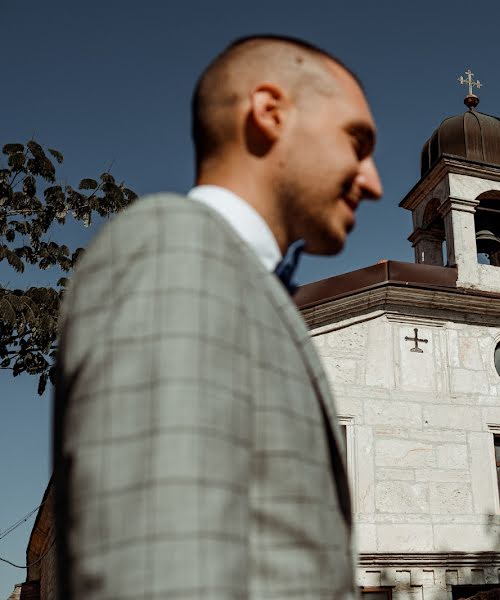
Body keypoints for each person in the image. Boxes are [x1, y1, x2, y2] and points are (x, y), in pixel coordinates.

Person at [52, 35, 382, 599]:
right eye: (356, 142)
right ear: (270, 113)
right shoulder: (171, 249)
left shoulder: (243, 285)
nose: (373, 181)